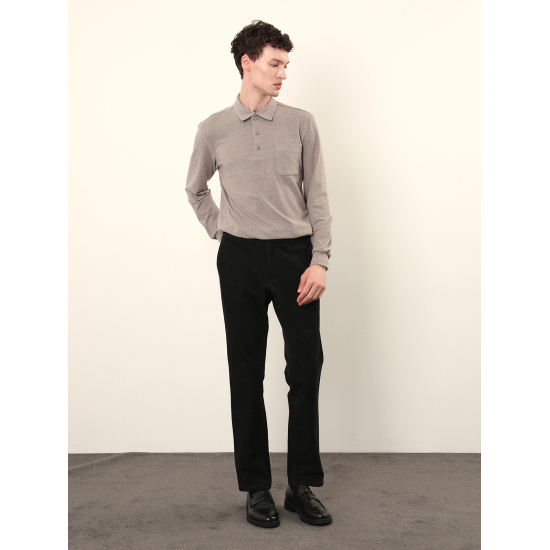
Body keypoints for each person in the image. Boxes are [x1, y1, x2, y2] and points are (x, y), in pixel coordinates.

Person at [185, 20, 333, 528]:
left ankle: (301, 485)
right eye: (275, 63)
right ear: (247, 63)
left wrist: (320, 259)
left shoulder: (301, 123)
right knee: (246, 373)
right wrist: (221, 230)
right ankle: (256, 488)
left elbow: (318, 194)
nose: (283, 73)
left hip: (296, 258)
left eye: (286, 64)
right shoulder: (213, 129)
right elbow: (195, 189)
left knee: (305, 368)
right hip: (241, 260)